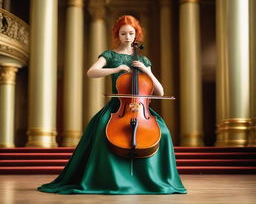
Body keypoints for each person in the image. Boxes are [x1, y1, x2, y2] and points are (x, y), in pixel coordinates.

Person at [38, 15, 187, 195]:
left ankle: (152, 179)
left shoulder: (144, 60)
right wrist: (116, 69)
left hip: (141, 108)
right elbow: (91, 72)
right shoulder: (110, 55)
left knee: (163, 132)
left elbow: (160, 92)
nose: (128, 37)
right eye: (123, 33)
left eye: (131, 33)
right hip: (118, 107)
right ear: (118, 34)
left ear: (136, 35)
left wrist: (147, 70)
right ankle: (105, 178)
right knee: (102, 128)